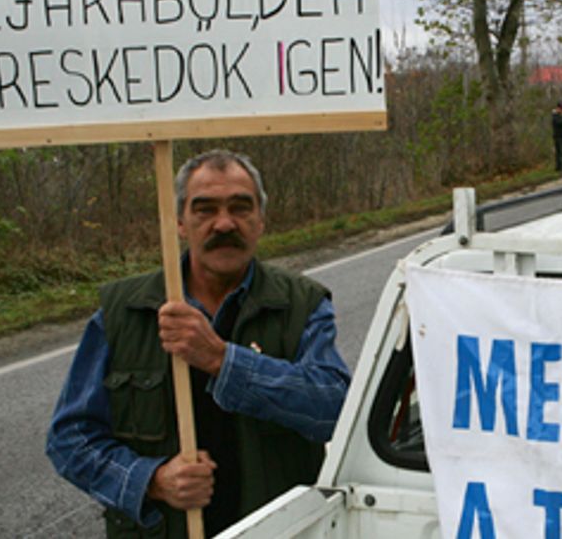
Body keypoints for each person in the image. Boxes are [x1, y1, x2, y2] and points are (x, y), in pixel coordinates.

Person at [47, 149, 351, 537]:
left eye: (241, 208)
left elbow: (335, 409)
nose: (224, 224)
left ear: (261, 220)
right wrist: (151, 480)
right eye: (204, 210)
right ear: (179, 223)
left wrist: (223, 361)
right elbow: (70, 439)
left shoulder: (303, 304)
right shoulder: (125, 311)